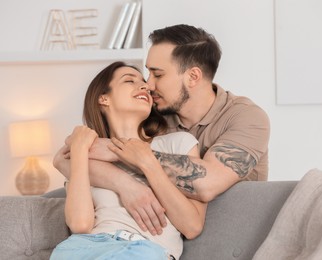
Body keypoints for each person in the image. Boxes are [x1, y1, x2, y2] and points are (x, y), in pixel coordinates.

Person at [54, 24, 270, 236]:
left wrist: (116, 150)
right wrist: (126, 185)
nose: (148, 85)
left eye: (158, 75)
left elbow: (206, 184)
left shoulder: (247, 118)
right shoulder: (155, 115)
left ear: (193, 77)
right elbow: (63, 160)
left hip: (231, 238)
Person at [50, 62, 207, 260]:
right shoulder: (89, 156)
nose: (145, 86)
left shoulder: (178, 144)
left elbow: (192, 226)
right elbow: (80, 225)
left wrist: (146, 164)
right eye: (129, 81)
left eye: (144, 82)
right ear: (103, 99)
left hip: (145, 250)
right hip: (85, 247)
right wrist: (80, 148)